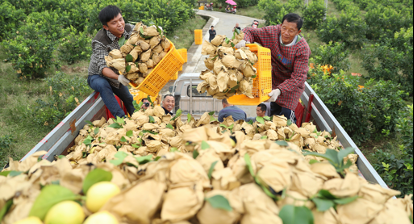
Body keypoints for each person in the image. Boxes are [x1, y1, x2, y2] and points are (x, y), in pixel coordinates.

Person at [235, 13, 310, 124]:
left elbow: (299, 77)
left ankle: (289, 138)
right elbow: (249, 31)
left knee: (286, 117)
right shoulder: (272, 33)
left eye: (291, 30)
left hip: (292, 87)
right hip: (275, 79)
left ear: (298, 32)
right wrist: (245, 40)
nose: (286, 33)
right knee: (274, 114)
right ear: (280, 25)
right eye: (284, 28)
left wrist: (280, 90)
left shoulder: (302, 49)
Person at [88, 5, 135, 119]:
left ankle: (137, 118)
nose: (119, 24)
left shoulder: (128, 29)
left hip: (116, 73)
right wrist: (119, 78)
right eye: (114, 23)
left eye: (120, 19)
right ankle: (122, 120)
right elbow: (103, 69)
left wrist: (154, 29)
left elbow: (145, 32)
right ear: (106, 27)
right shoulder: (99, 41)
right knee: (104, 85)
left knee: (128, 98)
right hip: (98, 75)